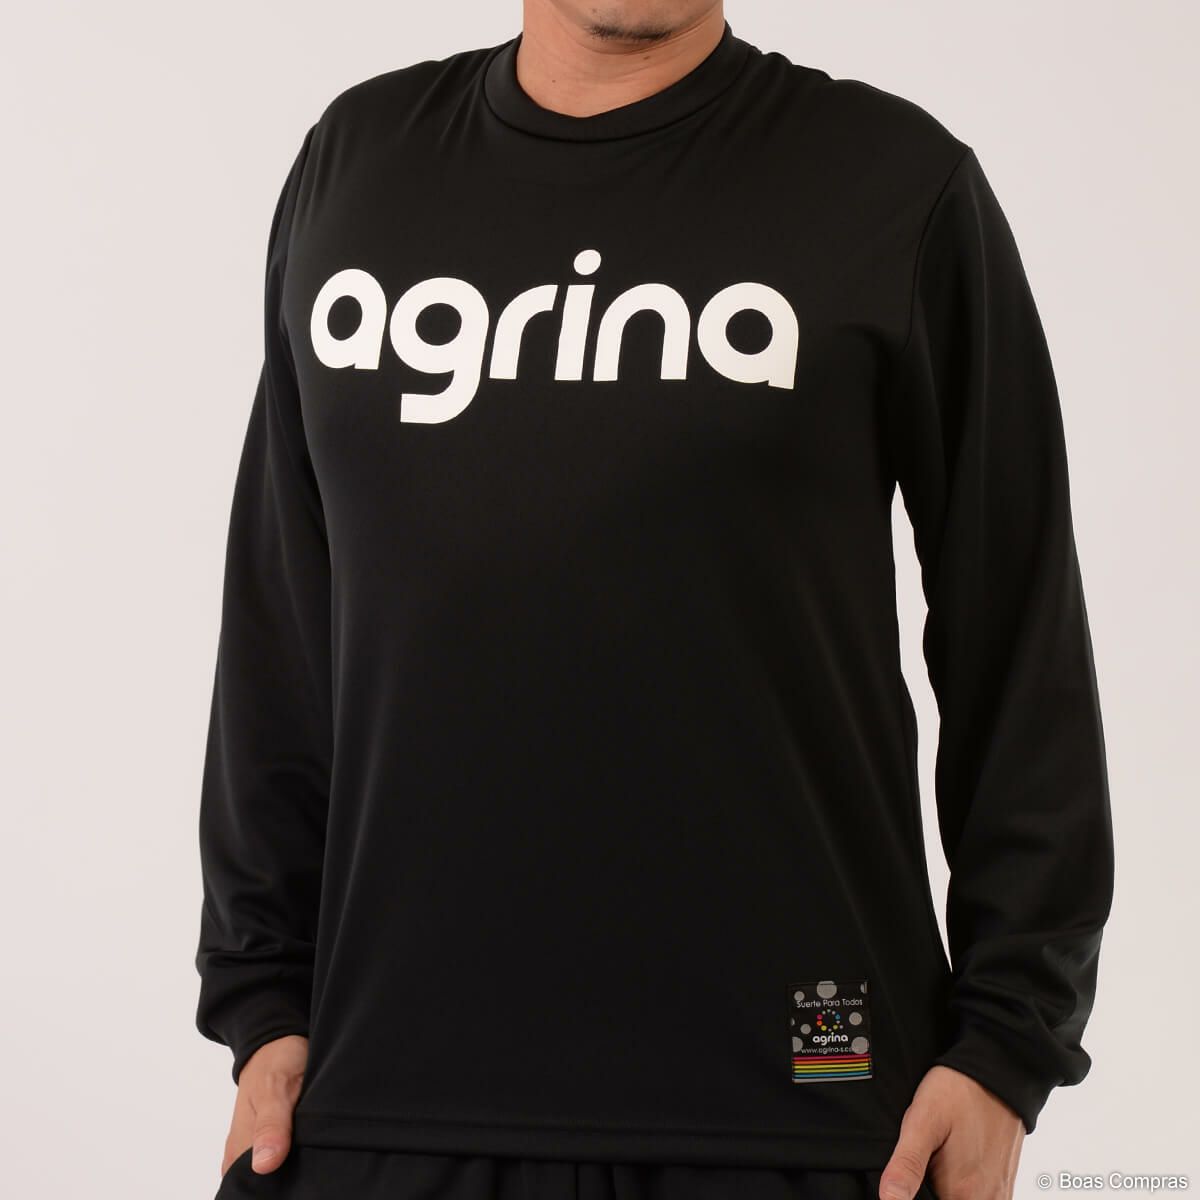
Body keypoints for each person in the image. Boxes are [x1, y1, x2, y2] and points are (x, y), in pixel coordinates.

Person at [193, 3, 1115, 1198]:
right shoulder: (358, 166)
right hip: (374, 1104)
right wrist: (262, 1003)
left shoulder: (894, 185)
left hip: (810, 1112)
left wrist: (1006, 1048)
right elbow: (280, 613)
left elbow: (1019, 634)